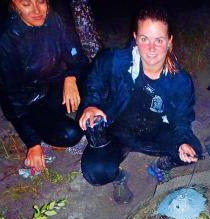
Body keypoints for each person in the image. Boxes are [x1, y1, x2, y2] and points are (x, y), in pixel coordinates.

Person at [79, 7, 202, 204]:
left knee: (192, 150)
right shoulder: (114, 60)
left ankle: (161, 166)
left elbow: (182, 117)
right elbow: (94, 81)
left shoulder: (180, 80)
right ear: (135, 37)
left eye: (159, 40)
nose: (151, 48)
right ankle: (118, 177)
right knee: (95, 172)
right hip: (118, 131)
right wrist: (91, 105)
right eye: (144, 39)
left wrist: (182, 141)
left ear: (170, 41)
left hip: (154, 133)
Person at [0, 0, 89, 172]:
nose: (36, 10)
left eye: (41, 1)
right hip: (31, 101)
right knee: (70, 134)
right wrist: (32, 142)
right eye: (26, 4)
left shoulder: (54, 20)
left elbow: (79, 59)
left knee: (101, 81)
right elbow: (12, 99)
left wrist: (71, 77)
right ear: (14, 5)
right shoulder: (2, 43)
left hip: (56, 85)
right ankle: (45, 127)